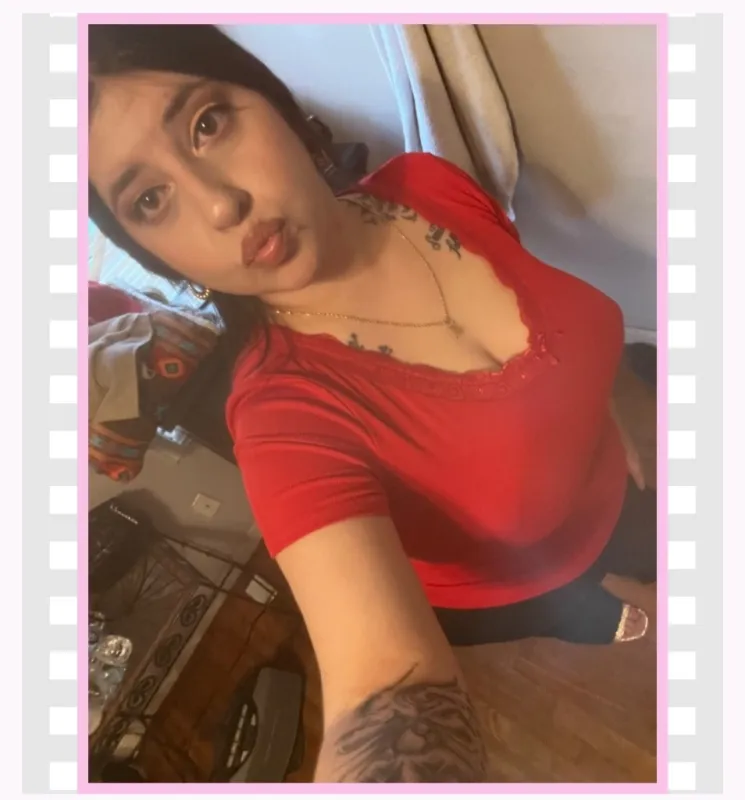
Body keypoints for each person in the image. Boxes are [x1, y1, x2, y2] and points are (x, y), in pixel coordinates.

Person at [88, 24, 656, 783]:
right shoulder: (281, 418)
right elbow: (385, 691)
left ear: (276, 101)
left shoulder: (427, 183)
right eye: (151, 199)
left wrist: (623, 391)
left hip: (626, 480)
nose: (220, 205)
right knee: (575, 608)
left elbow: (562, 320)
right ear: (150, 253)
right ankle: (584, 615)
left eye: (208, 123)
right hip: (510, 582)